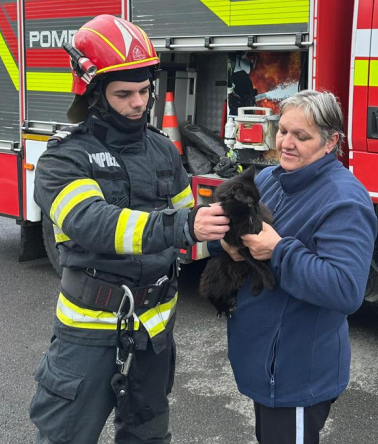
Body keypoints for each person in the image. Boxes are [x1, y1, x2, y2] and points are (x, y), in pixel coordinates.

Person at [28, 15, 229, 444]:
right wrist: (182, 225)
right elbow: (93, 224)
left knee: (148, 436)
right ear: (94, 94)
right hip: (89, 333)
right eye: (124, 94)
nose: (139, 103)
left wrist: (228, 236)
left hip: (154, 333)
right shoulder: (64, 160)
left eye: (144, 91)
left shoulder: (162, 148)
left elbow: (188, 229)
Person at [219, 90, 378, 444]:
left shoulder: (344, 201)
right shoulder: (269, 180)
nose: (286, 144)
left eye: (301, 136)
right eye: (283, 131)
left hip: (295, 371)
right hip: (265, 361)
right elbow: (246, 238)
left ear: (330, 142)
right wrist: (230, 246)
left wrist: (277, 250)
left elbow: (344, 288)